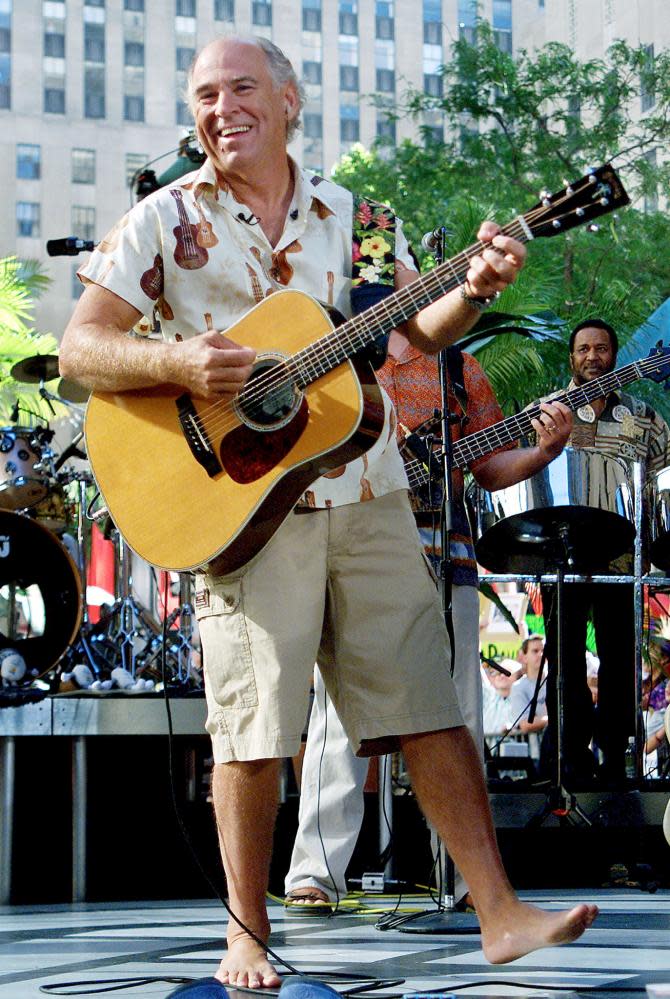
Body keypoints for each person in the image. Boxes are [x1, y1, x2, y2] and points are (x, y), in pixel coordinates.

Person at [59, 35, 598, 988]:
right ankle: (247, 934)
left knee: (427, 705)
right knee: (256, 723)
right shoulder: (161, 218)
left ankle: (502, 913)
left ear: (291, 99)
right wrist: (182, 362)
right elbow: (80, 353)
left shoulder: (362, 218)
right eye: (204, 95)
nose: (220, 108)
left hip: (366, 483)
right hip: (238, 498)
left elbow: (405, 336)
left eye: (240, 88)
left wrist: (470, 290)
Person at [285, 340, 571, 912]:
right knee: (338, 716)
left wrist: (543, 452)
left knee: (459, 716)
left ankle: (468, 880)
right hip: (353, 554)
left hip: (448, 556)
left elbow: (490, 468)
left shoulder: (458, 367)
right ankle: (314, 874)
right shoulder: (332, 354)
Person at [538, 319, 670, 783]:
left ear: (614, 354)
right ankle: (568, 759)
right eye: (582, 349)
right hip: (562, 554)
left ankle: (617, 757)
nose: (591, 357)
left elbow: (663, 481)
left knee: (620, 659)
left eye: (600, 348)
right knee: (564, 659)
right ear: (571, 357)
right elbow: (527, 473)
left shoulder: (645, 417)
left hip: (622, 558)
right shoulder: (547, 412)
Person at [508, 634, 548, 765]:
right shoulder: (519, 687)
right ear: (524, 657)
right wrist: (554, 718)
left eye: (543, 650)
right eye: (535, 651)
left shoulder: (556, 681)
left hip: (561, 752)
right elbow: (525, 724)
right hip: (535, 755)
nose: (541, 654)